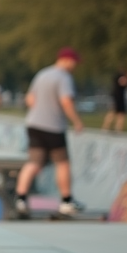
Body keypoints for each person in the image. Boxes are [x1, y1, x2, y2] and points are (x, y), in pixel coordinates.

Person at [15, 47, 85, 218]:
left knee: (34, 162)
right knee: (62, 163)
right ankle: (66, 201)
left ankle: (21, 198)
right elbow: (66, 101)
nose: (74, 67)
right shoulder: (64, 77)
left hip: (33, 124)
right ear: (68, 60)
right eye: (74, 63)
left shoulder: (42, 74)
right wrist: (76, 122)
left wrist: (41, 110)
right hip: (54, 127)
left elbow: (30, 99)